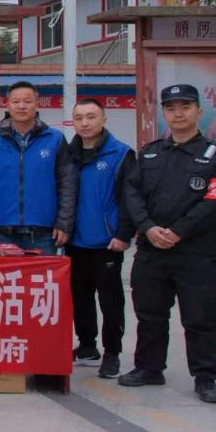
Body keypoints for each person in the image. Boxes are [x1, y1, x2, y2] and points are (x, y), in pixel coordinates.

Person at [119, 84, 216, 405]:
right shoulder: (150, 153)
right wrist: (148, 228)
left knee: (201, 317)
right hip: (151, 249)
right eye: (171, 108)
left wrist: (178, 231)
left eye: (185, 107)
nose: (178, 114)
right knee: (150, 314)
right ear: (164, 113)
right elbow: (132, 193)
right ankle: (149, 368)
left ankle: (206, 377)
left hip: (196, 253)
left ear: (199, 111)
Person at [67, 98, 135, 379]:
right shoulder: (68, 154)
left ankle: (112, 353)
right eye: (79, 118)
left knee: (110, 301)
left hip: (107, 242)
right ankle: (87, 346)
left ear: (104, 120)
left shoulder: (120, 153)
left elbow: (131, 199)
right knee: (79, 297)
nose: (85, 123)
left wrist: (123, 234)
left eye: (91, 117)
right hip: (73, 240)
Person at [0, 81, 77, 254]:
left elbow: (67, 183)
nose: (21, 106)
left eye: (27, 101)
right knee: (6, 273)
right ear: (7, 104)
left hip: (44, 233)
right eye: (16, 101)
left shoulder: (54, 139)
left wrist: (64, 222)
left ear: (37, 104)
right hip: (4, 232)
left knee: (44, 273)